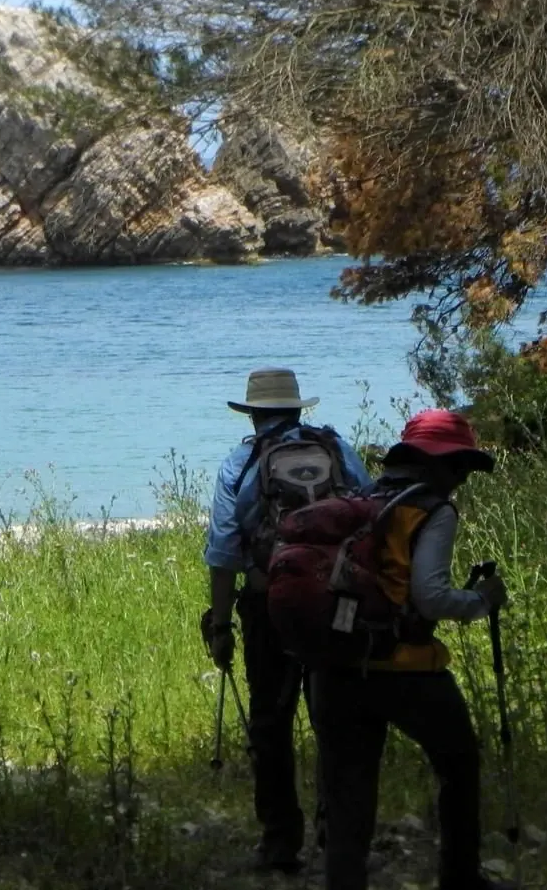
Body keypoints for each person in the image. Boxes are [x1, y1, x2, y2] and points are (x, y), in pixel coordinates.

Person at [305, 409, 510, 890]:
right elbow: (430, 596)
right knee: (458, 764)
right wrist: (481, 600)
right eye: (460, 467)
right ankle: (460, 878)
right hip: (405, 670)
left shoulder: (360, 497)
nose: (461, 480)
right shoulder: (432, 510)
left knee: (347, 792)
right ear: (441, 465)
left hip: (336, 664)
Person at [201, 367, 374, 875]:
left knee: (271, 721)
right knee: (335, 719)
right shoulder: (339, 451)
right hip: (338, 604)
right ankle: (335, 833)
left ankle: (279, 841)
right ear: (299, 410)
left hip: (270, 604)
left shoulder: (240, 463)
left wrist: (220, 623)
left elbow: (224, 550)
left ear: (253, 414)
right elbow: (371, 516)